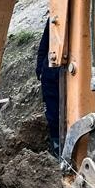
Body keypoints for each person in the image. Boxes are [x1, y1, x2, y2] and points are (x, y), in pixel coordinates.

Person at [35, 20, 64, 158]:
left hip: (70, 74)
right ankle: (58, 149)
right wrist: (40, 69)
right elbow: (44, 44)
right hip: (51, 75)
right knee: (53, 116)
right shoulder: (54, 16)